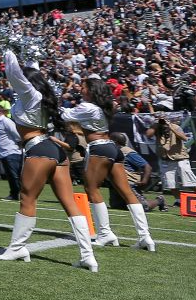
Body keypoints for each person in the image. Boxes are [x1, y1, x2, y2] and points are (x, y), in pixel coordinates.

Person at [0, 47, 98, 272]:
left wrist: (7, 49)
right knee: (69, 202)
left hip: (38, 149)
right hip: (54, 151)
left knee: (27, 199)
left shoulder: (30, 96)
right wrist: (29, 52)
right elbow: (29, 72)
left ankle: (18, 247)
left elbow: (14, 73)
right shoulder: (39, 96)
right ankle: (88, 255)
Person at [61, 78, 156, 251]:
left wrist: (51, 103)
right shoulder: (104, 106)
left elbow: (66, 115)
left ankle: (105, 233)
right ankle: (145, 237)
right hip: (113, 148)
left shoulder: (88, 107)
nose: (80, 90)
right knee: (127, 192)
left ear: (91, 90)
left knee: (91, 189)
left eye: (83, 88)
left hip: (99, 148)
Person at [152, 112, 196, 200]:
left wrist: (171, 128)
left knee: (190, 181)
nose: (162, 122)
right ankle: (178, 201)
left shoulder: (175, 127)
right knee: (170, 183)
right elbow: (148, 134)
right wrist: (155, 124)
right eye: (160, 120)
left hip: (180, 158)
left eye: (163, 119)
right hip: (167, 159)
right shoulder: (157, 129)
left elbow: (184, 138)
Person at [0, 103, 23, 201]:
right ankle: (14, 194)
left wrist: (19, 145)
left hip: (11, 152)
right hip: (4, 153)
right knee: (10, 175)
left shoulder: (6, 121)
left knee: (14, 175)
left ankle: (19, 194)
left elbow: (17, 134)